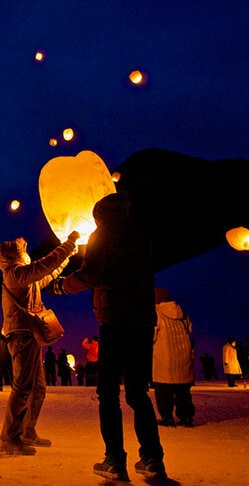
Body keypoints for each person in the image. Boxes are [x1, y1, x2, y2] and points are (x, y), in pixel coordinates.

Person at [52, 192, 166, 480]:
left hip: (114, 319)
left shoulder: (103, 237)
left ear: (100, 215)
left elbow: (91, 275)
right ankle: (153, 458)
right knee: (139, 392)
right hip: (141, 320)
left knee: (108, 394)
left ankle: (115, 459)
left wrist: (63, 286)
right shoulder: (141, 236)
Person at [0, 230, 78, 455]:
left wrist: (68, 257)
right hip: (21, 334)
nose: (26, 254)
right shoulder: (14, 274)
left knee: (38, 389)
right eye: (23, 252)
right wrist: (67, 246)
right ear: (15, 257)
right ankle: (10, 437)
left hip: (29, 335)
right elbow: (43, 266)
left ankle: (27, 431)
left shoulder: (23, 277)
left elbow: (47, 274)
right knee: (23, 387)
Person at [151, 288, 195, 427]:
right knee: (183, 391)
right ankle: (186, 417)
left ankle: (167, 417)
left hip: (165, 358)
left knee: (163, 391)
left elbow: (151, 335)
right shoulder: (182, 313)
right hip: (183, 357)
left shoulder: (155, 313)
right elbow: (190, 329)